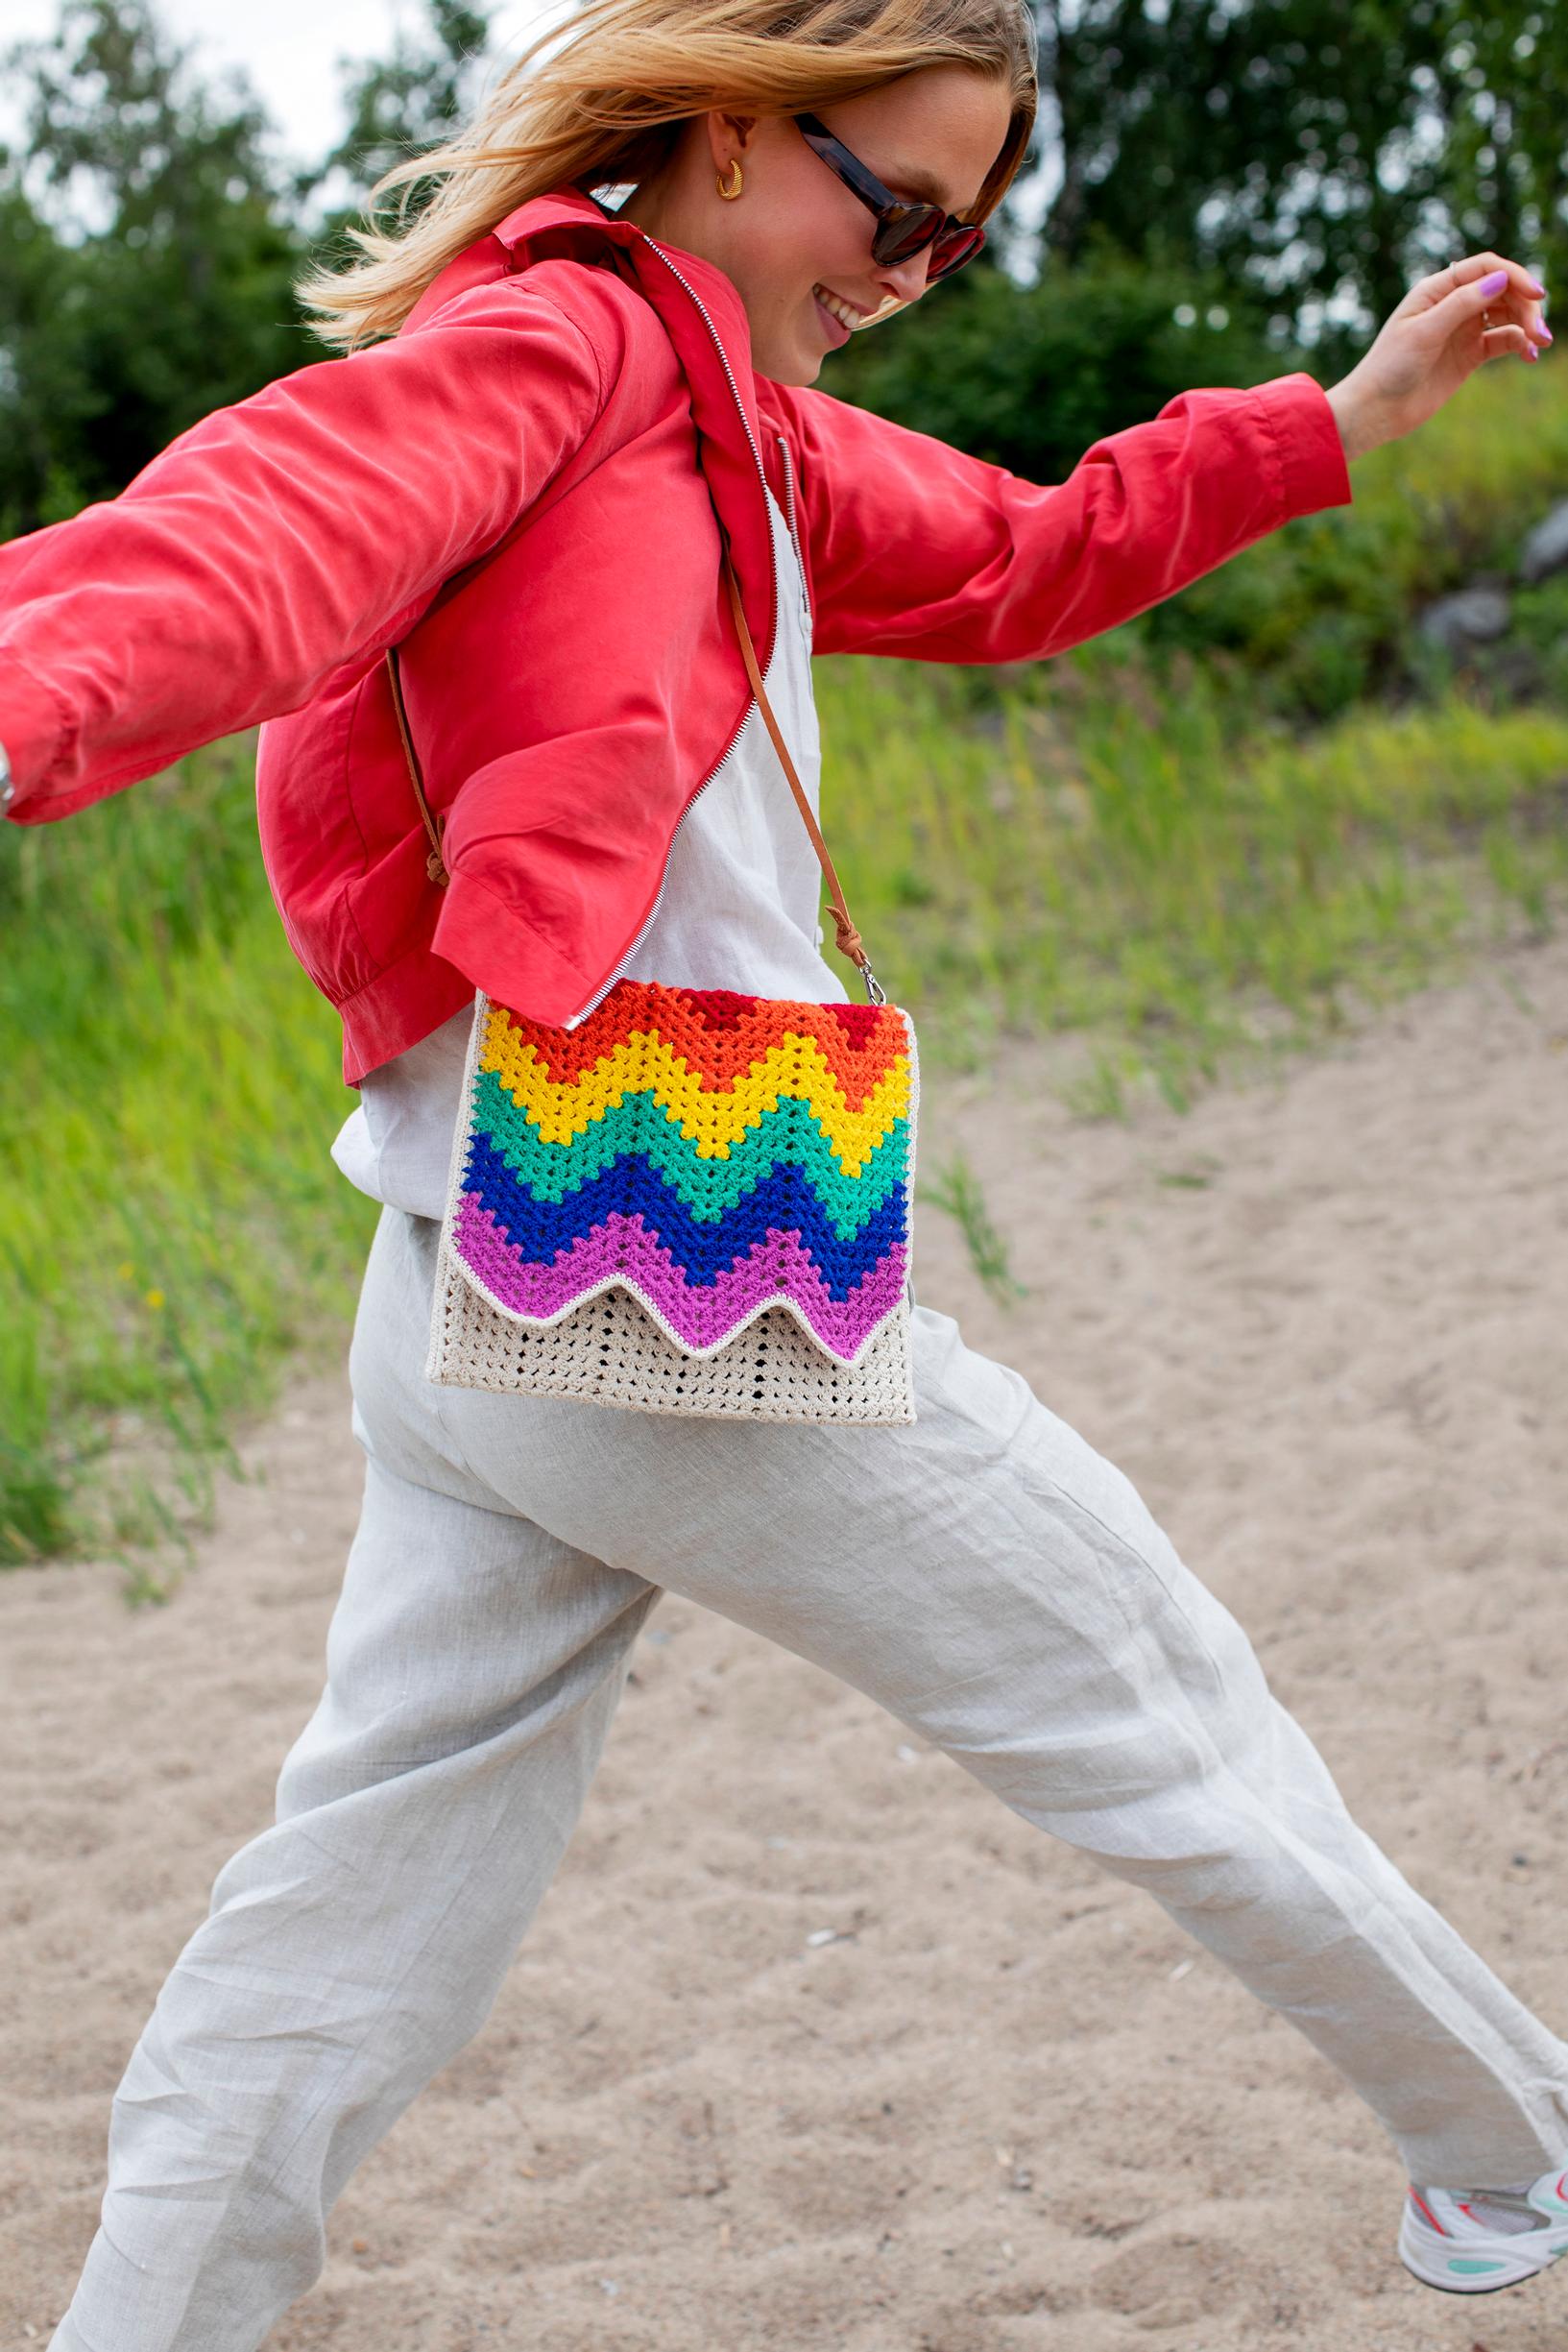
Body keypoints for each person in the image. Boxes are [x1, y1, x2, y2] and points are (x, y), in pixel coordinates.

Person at [3, 0, 1560, 2340]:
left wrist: (1332, 425)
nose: (913, 272)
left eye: (959, 238)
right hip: (650, 1259)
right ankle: (1511, 2147)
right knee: (1152, 1691)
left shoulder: (740, 425)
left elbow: (1027, 552)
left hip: (469, 1282)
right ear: (729, 130)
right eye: (896, 206)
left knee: (353, 1902)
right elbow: (255, 530)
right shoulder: (551, 349)